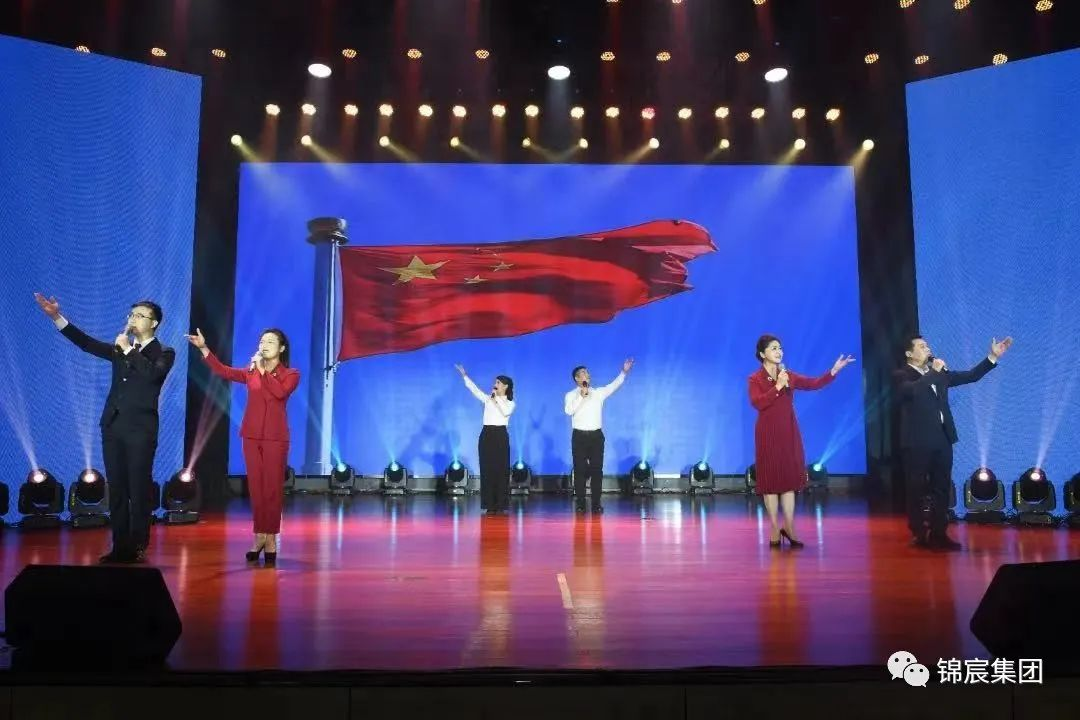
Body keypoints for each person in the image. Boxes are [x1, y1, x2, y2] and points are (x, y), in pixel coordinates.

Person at [34, 292, 175, 563]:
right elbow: (86, 344)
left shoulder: (164, 352)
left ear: (154, 323)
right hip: (113, 426)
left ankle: (137, 544)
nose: (133, 319)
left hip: (140, 431)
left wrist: (129, 350)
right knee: (118, 489)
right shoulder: (120, 349)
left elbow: (152, 375)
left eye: (140, 316)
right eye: (131, 314)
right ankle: (120, 546)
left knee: (138, 489)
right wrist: (56, 317)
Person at [185, 327, 299, 565]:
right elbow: (224, 371)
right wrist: (204, 348)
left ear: (281, 348)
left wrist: (262, 371)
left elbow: (279, 393)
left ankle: (271, 538)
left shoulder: (290, 374)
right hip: (251, 436)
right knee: (256, 489)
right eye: (262, 341)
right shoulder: (251, 371)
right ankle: (259, 536)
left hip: (275, 438)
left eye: (270, 342)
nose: (264, 345)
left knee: (272, 490)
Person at [895, 334, 1012, 550]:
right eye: (921, 346)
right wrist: (933, 372)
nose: (927, 349)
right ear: (909, 353)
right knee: (916, 489)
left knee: (942, 487)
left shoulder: (940, 374)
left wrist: (992, 357)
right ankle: (919, 533)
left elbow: (970, 376)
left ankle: (939, 534)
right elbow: (913, 391)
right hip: (916, 441)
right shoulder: (902, 375)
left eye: (927, 345)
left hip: (942, 438)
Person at [748, 335, 854, 548]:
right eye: (773, 348)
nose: (779, 352)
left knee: (788, 481)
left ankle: (789, 526)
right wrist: (778, 387)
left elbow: (813, 383)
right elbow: (758, 403)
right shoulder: (755, 379)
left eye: (780, 348)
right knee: (770, 482)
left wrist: (833, 371)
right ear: (762, 354)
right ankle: (774, 527)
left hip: (788, 431)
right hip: (767, 433)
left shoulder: (788, 375)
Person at [564, 359, 634, 514]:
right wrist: (581, 396)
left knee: (597, 470)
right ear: (577, 378)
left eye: (587, 372)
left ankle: (596, 503)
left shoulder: (598, 393)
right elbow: (569, 411)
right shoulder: (571, 395)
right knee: (580, 470)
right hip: (579, 436)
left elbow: (614, 385)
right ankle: (581, 504)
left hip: (596, 436)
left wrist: (624, 372)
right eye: (583, 373)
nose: (587, 375)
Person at [454, 365, 515, 515]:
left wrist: (496, 400)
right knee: (487, 468)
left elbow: (505, 412)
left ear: (506, 386)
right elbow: (475, 391)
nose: (495, 384)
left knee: (501, 469)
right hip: (487, 434)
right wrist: (465, 376)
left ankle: (500, 503)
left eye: (498, 383)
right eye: (495, 382)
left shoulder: (510, 403)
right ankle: (489, 503)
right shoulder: (488, 399)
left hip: (500, 435)